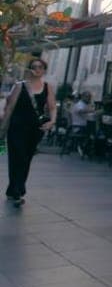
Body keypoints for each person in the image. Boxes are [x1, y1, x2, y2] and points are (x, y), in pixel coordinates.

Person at [2, 55, 56, 206]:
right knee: (17, 157)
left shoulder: (47, 87)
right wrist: (3, 127)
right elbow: (10, 108)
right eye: (34, 67)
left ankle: (13, 189)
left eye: (40, 67)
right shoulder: (20, 85)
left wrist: (52, 121)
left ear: (44, 70)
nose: (37, 69)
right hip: (17, 127)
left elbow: (52, 107)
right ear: (29, 69)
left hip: (35, 129)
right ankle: (18, 190)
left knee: (26, 158)